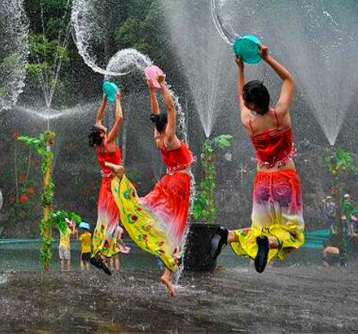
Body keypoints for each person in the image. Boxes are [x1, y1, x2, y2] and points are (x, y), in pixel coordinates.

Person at [212, 44, 305, 273]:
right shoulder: (280, 115)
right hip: (284, 177)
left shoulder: (250, 124)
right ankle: (269, 243)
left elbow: (240, 95)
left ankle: (229, 236)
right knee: (292, 233)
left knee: (259, 228)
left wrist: (240, 68)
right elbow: (289, 80)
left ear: (250, 104)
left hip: (263, 181)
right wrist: (266, 58)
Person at [108, 73, 193, 297]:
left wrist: (151, 89)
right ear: (169, 126)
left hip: (167, 181)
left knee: (145, 206)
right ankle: (167, 273)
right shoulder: (170, 138)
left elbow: (156, 115)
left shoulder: (158, 137)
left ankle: (124, 186)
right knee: (175, 228)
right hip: (179, 183)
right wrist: (163, 84)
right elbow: (171, 108)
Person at [88, 90, 124, 275]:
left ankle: (97, 254)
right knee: (111, 220)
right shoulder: (108, 142)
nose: (104, 127)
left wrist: (104, 99)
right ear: (102, 136)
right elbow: (119, 118)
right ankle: (101, 253)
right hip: (114, 184)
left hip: (105, 184)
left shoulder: (99, 145)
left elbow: (98, 118)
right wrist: (117, 100)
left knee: (103, 219)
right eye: (102, 129)